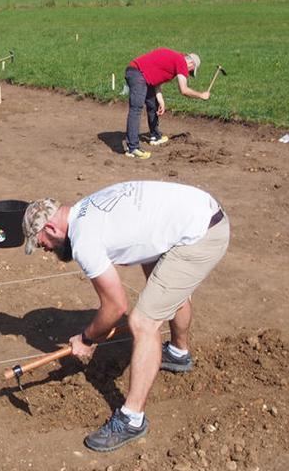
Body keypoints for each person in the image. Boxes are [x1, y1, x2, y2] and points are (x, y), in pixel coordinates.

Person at [22, 181, 230, 452]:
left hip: (201, 234)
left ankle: (132, 419)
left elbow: (115, 307)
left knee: (142, 322)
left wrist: (86, 338)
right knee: (162, 288)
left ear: (50, 228)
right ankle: (179, 354)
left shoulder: (85, 240)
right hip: (196, 214)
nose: (45, 250)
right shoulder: (84, 208)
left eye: (41, 244)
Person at [123, 48, 209, 160]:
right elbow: (184, 90)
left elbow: (156, 78)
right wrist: (201, 95)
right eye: (191, 70)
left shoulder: (174, 59)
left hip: (141, 74)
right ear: (191, 63)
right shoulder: (181, 62)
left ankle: (155, 136)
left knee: (153, 104)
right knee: (136, 109)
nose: (188, 73)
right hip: (137, 74)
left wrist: (161, 99)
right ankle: (133, 148)